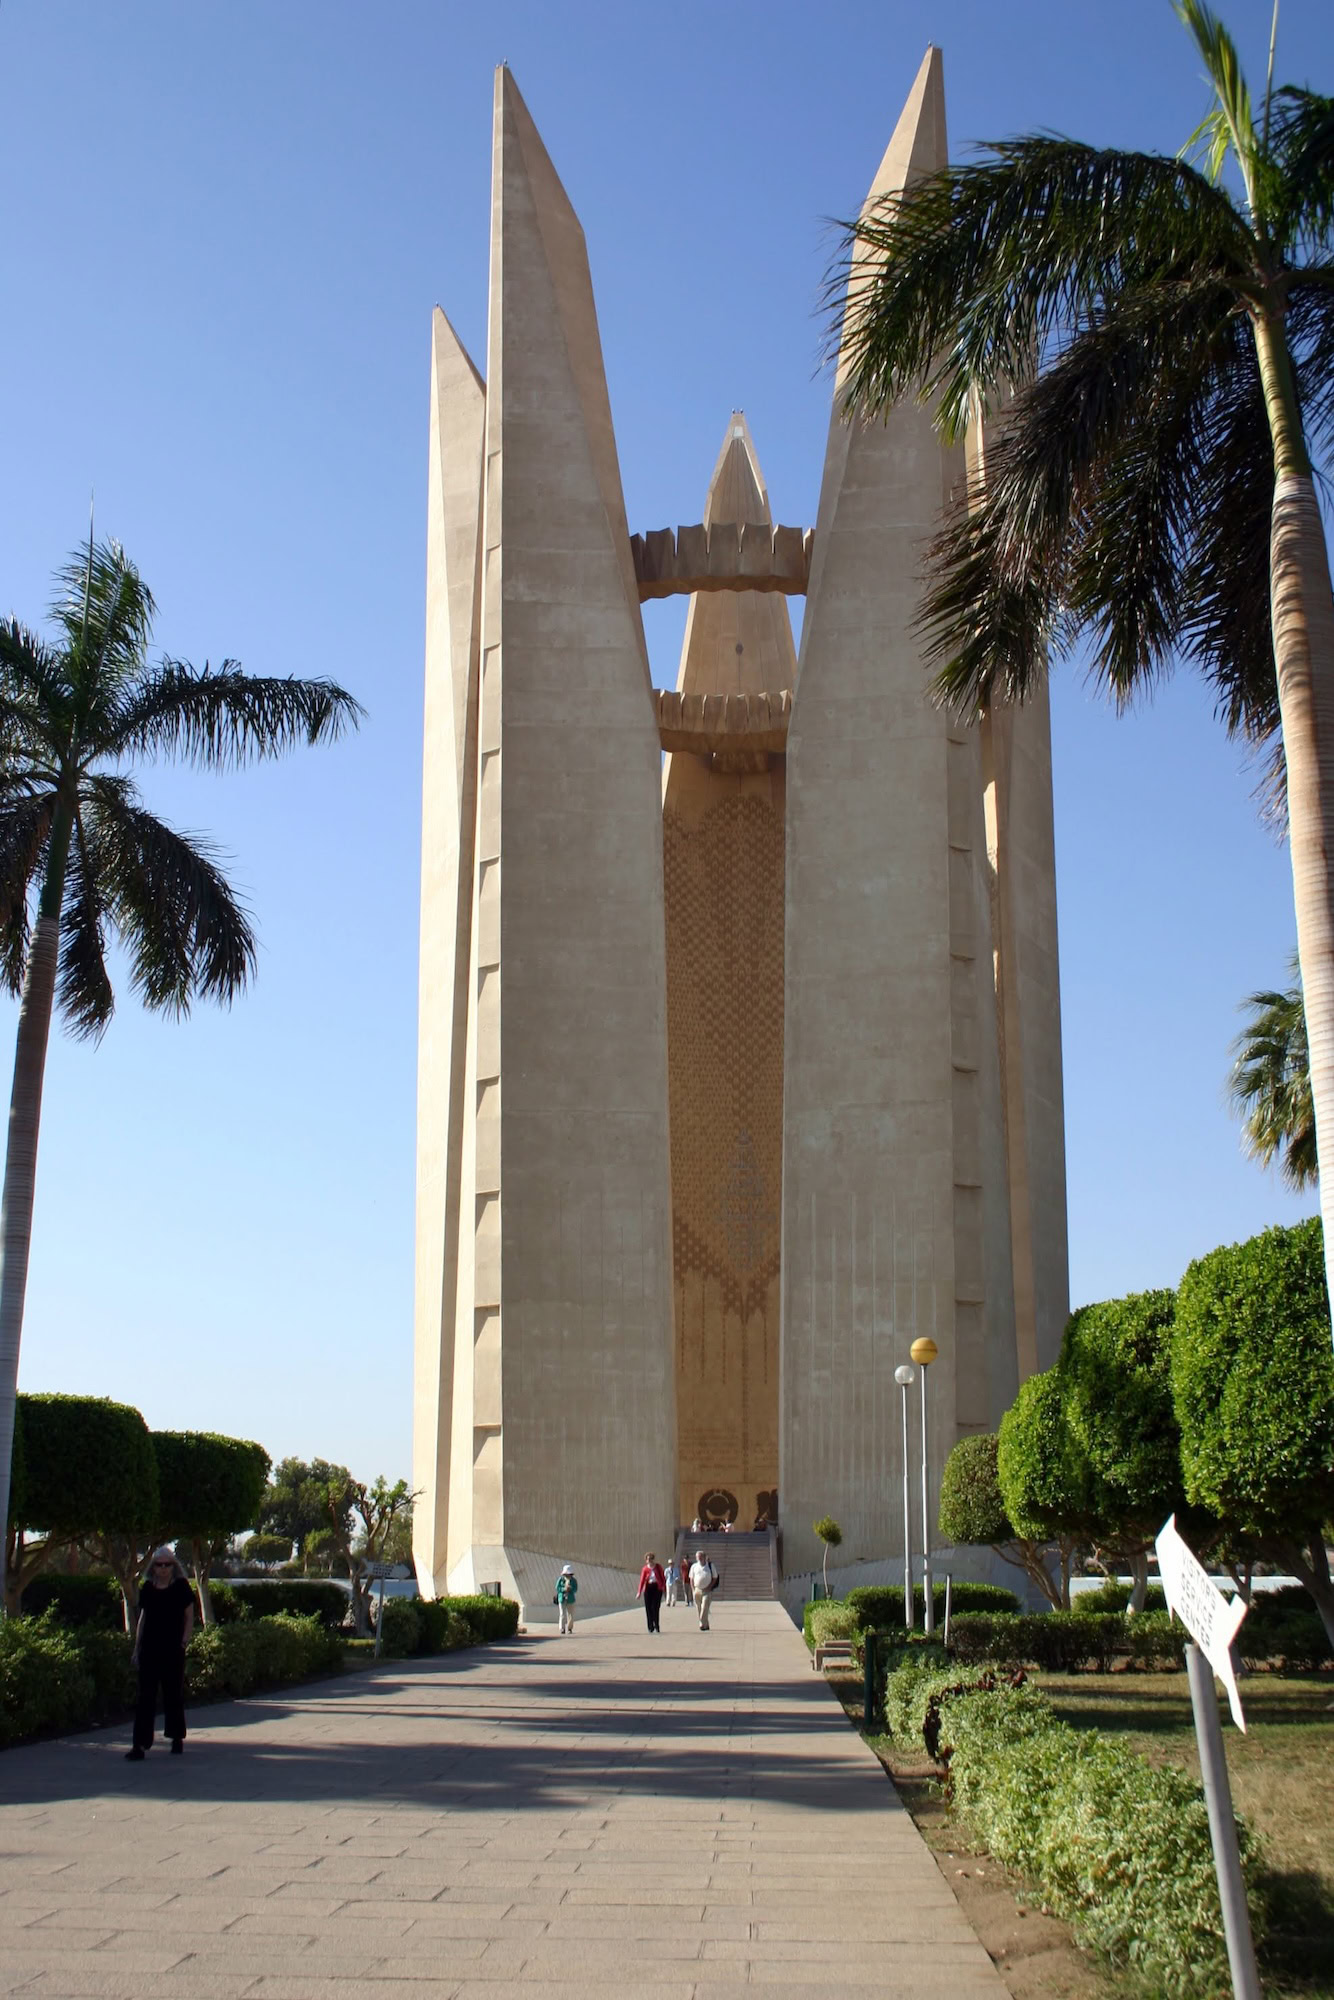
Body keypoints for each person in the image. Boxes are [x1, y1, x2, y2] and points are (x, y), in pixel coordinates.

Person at [127, 1546, 195, 1760]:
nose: (163, 1568)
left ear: (173, 1566)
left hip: (173, 1649)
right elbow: (143, 1619)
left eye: (168, 1564)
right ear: (153, 1567)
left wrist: (184, 1641)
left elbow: (189, 1617)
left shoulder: (182, 1587)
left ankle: (176, 1738)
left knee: (173, 1694)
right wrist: (137, 1648)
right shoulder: (147, 1588)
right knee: (145, 1696)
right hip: (150, 1648)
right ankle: (139, 1744)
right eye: (159, 1564)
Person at [689, 1548, 718, 1631]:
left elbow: (715, 1577)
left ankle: (701, 1622)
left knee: (705, 1607)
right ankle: (706, 1624)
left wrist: (710, 1587)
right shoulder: (694, 1566)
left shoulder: (710, 1565)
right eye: (697, 1557)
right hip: (697, 1589)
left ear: (704, 1557)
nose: (699, 1558)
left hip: (707, 1590)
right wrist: (693, 1589)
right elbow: (691, 1578)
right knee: (699, 1608)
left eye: (700, 1557)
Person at [637, 1553, 665, 1633]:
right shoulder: (645, 1569)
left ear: (653, 1559)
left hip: (657, 1588)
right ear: (646, 1560)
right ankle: (650, 1627)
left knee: (655, 1608)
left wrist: (663, 1588)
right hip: (648, 1588)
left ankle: (656, 1625)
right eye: (648, 1559)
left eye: (651, 1559)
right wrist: (639, 1592)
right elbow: (642, 1580)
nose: (649, 1561)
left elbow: (663, 1578)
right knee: (648, 1608)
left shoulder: (658, 1567)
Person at [554, 1563, 578, 1634]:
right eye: (566, 1574)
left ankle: (570, 1628)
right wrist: (564, 1589)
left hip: (570, 1599)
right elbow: (557, 1587)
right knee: (562, 1614)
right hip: (562, 1599)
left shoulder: (573, 1581)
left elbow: (575, 1589)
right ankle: (562, 1628)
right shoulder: (560, 1579)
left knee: (570, 1615)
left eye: (569, 1574)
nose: (567, 1575)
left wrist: (570, 1589)